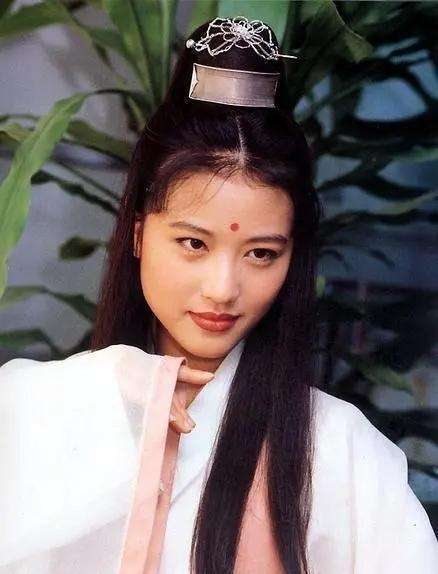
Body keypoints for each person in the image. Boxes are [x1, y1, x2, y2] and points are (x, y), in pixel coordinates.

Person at [0, 15, 437, 574]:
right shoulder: (46, 411)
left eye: (262, 254)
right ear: (138, 233)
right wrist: (100, 390)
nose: (224, 289)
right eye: (193, 243)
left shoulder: (344, 453)